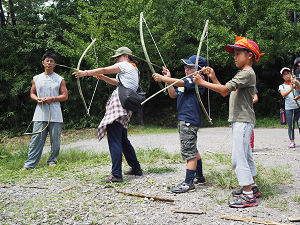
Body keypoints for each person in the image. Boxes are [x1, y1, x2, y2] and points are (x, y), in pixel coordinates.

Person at [193, 36, 264, 208]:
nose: (235, 56)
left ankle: (248, 195)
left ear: (250, 56)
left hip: (243, 120)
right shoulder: (243, 73)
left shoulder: (247, 73)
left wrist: (202, 82)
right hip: (241, 120)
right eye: (234, 53)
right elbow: (226, 91)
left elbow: (224, 89)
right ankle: (252, 187)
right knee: (245, 155)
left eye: (238, 53)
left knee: (238, 158)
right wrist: (213, 78)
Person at [73, 47, 142, 182]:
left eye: (118, 57)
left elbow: (104, 69)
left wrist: (85, 73)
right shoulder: (133, 69)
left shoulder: (124, 65)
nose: (116, 60)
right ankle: (136, 168)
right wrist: (104, 78)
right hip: (126, 105)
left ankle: (116, 174)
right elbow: (117, 83)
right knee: (122, 139)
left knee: (114, 139)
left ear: (126, 56)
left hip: (119, 105)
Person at [152, 55, 206, 193]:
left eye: (190, 67)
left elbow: (180, 83)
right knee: (192, 148)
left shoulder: (197, 80)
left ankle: (189, 183)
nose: (187, 69)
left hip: (189, 119)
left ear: (199, 70)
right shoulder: (185, 81)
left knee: (189, 152)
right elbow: (173, 94)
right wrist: (167, 80)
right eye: (186, 67)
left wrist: (163, 78)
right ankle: (198, 176)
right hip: (185, 119)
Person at [22, 51, 68, 170]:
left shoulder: (59, 79)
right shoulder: (36, 78)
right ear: (43, 63)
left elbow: (65, 96)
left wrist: (52, 98)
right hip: (40, 113)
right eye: (47, 61)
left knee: (55, 140)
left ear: (54, 64)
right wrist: (37, 99)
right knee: (36, 139)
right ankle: (30, 164)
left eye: (51, 61)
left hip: (56, 114)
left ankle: (52, 160)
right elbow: (32, 93)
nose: (49, 63)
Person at [278, 67, 300, 148]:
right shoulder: (282, 86)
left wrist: (296, 83)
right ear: (282, 77)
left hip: (298, 107)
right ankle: (292, 141)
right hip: (289, 109)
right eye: (284, 74)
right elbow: (283, 94)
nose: (287, 76)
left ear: (291, 74)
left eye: (288, 73)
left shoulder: (296, 82)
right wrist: (291, 88)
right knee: (291, 125)